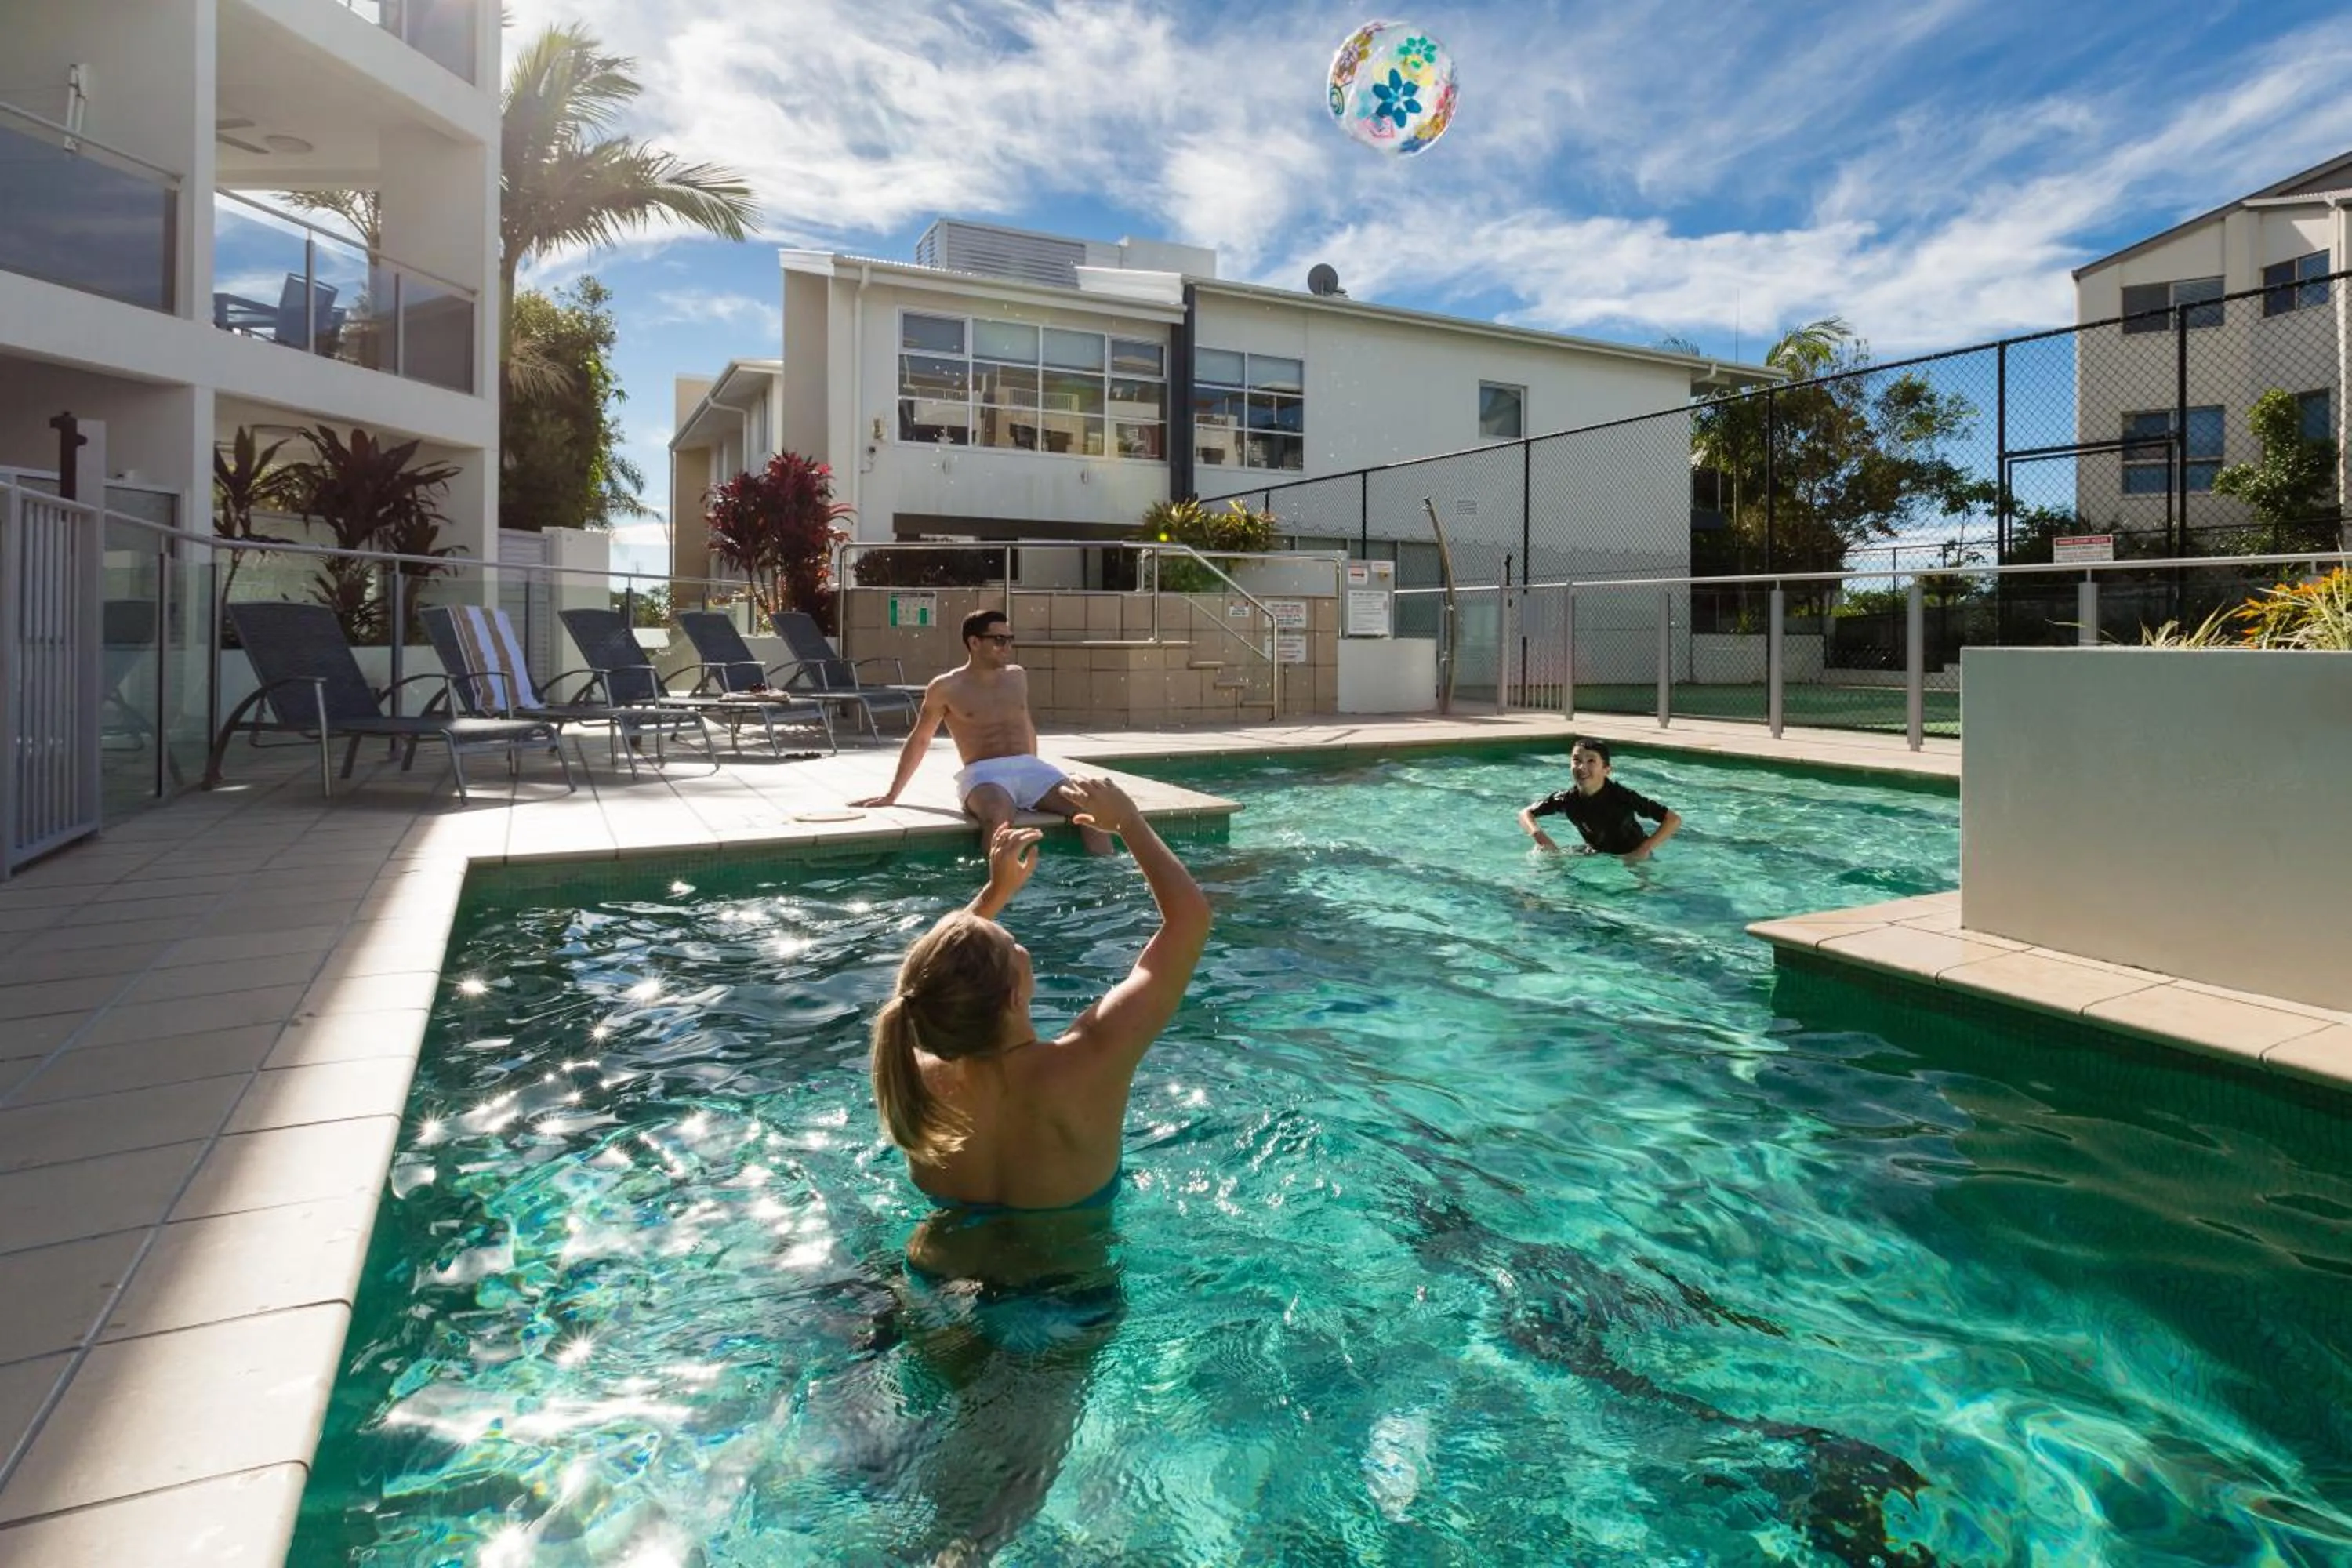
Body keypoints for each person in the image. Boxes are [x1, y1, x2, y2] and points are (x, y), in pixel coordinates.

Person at [870, 775, 1210, 1221]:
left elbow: (923, 980)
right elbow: (1189, 919)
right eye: (1013, 945)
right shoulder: (1088, 1060)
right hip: (1072, 1286)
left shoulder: (917, 1076)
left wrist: (994, 894)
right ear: (1014, 996)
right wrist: (1128, 821)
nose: (1019, 944)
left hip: (939, 1274)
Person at [851, 608, 1112, 854]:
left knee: (1090, 806)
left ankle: (1104, 885)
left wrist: (1035, 771)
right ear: (974, 643)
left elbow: (1026, 725)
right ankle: (993, 890)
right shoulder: (946, 687)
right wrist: (892, 794)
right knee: (999, 814)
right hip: (984, 774)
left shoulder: (1016, 677)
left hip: (1029, 767)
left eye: (1010, 639)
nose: (1007, 647)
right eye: (999, 640)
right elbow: (920, 739)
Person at [1518, 736, 1682, 862]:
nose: (1582, 767)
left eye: (1591, 761)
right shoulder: (1566, 799)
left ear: (1606, 770)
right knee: (1543, 857)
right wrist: (1541, 838)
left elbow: (1673, 820)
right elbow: (1525, 814)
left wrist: (1644, 849)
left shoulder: (1622, 796)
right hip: (1596, 853)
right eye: (1576, 760)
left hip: (1632, 858)